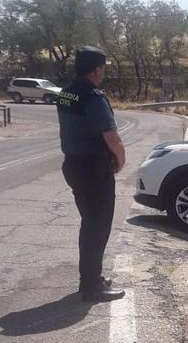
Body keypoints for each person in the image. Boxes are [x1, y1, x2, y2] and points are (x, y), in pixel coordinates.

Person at [57, 46, 126, 302]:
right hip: (94, 169)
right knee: (97, 228)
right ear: (96, 70)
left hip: (74, 165)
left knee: (90, 225)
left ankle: (90, 278)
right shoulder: (93, 96)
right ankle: (92, 286)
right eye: (103, 68)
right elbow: (111, 137)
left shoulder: (67, 93)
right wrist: (120, 159)